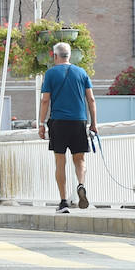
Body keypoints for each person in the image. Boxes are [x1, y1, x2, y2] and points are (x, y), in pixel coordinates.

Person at [37, 42, 98, 213]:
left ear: (55, 56)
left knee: (60, 161)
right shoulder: (82, 72)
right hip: (79, 121)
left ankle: (63, 202)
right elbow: (91, 100)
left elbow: (45, 100)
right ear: (69, 55)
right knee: (80, 160)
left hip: (59, 122)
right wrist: (93, 123)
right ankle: (81, 184)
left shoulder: (50, 73)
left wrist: (41, 124)